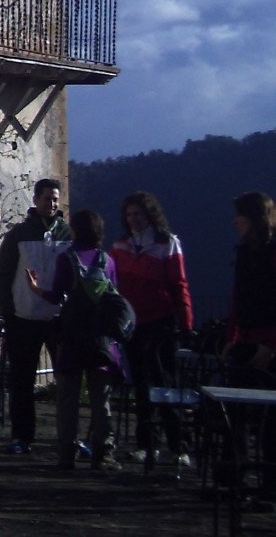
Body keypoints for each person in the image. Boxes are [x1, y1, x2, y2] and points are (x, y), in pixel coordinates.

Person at [27, 208, 123, 472]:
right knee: (100, 400)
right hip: (101, 339)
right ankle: (103, 453)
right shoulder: (108, 261)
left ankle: (66, 453)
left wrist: (35, 288)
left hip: (72, 337)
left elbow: (57, 296)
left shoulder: (66, 259)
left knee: (67, 399)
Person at [110, 191, 194, 467]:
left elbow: (179, 284)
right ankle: (147, 443)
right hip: (133, 324)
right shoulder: (120, 247)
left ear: (149, 215)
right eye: (129, 214)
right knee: (142, 384)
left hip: (161, 323)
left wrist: (186, 323)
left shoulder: (167, 244)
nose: (133, 219)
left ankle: (178, 444)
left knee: (166, 382)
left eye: (138, 214)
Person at [0, 177, 70, 454]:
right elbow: (2, 273)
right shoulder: (18, 235)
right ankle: (22, 435)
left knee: (67, 379)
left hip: (59, 319)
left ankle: (67, 436)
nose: (52, 203)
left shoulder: (67, 235)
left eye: (55, 199)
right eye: (47, 198)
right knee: (22, 380)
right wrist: (9, 309)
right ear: (36, 200)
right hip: (23, 318)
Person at [224, 190, 276, 499]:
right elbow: (237, 301)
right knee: (234, 415)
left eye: (240, 215)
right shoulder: (244, 253)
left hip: (268, 345)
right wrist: (232, 337)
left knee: (271, 422)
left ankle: (270, 488)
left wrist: (270, 345)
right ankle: (236, 478)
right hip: (245, 341)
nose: (235, 221)